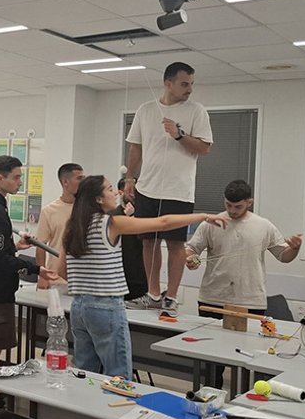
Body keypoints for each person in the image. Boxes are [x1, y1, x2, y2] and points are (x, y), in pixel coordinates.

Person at [56, 175, 227, 381]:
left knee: (87, 374)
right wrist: (202, 216)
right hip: (106, 306)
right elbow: (163, 223)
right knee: (118, 377)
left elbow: (62, 271)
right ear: (98, 199)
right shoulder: (110, 223)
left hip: (78, 306)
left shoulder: (72, 226)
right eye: (109, 189)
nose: (116, 193)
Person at [186, 179, 302, 387]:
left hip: (250, 301)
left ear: (249, 202)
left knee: (250, 359)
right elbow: (191, 250)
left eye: (238, 206)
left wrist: (294, 249)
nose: (232, 211)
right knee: (211, 360)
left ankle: (245, 400)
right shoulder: (211, 223)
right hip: (213, 299)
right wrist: (191, 259)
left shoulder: (263, 225)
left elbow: (283, 256)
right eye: (228, 205)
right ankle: (210, 395)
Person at [0, 156, 58, 419]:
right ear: (0, 178)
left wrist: (14, 247)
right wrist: (34, 268)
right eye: (16, 177)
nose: (20, 182)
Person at [124, 62, 213, 319]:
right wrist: (130, 178)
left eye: (191, 84)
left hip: (178, 191)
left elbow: (205, 148)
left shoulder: (196, 111)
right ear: (168, 84)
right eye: (185, 84)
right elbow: (136, 147)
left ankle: (171, 298)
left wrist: (179, 134)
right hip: (147, 188)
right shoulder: (146, 110)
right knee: (148, 243)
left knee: (175, 244)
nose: (190, 89)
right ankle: (153, 295)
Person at [35, 163, 84, 289]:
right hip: (57, 279)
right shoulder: (49, 211)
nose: (83, 182)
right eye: (79, 178)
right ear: (65, 182)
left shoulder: (88, 210)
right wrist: (42, 277)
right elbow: (40, 246)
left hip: (83, 279)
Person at [112, 177, 148, 302]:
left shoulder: (144, 215)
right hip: (116, 277)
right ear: (120, 193)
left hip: (139, 276)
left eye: (136, 191)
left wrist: (133, 217)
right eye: (130, 191)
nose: (133, 195)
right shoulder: (111, 215)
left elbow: (147, 239)